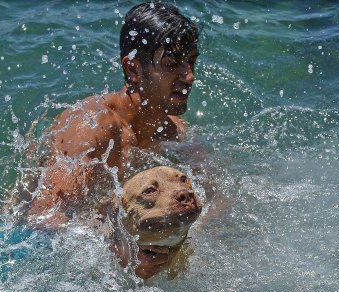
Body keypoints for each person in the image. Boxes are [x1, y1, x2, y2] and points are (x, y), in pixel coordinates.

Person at [12, 2, 201, 278]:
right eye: (173, 64)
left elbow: (217, 195)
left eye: (191, 62)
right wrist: (118, 251)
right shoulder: (92, 127)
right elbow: (43, 218)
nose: (189, 76)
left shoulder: (176, 131)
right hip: (21, 247)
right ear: (133, 68)